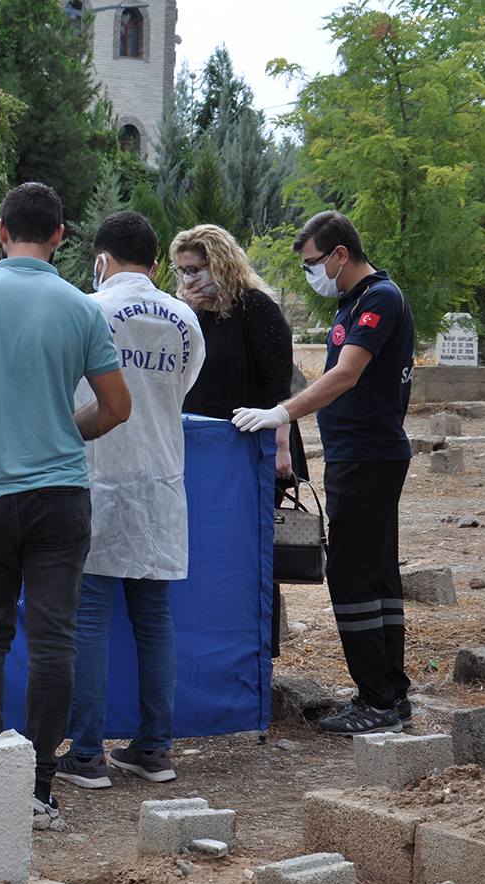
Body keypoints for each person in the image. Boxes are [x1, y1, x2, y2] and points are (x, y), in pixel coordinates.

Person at [0, 182, 132, 822]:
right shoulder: (82, 308)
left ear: (1, 232)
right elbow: (117, 407)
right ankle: (37, 785)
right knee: (54, 640)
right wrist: (72, 431)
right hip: (59, 496)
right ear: (61, 237)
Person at [232, 210, 415, 735]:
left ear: (340, 254)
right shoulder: (353, 301)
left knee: (353, 575)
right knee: (377, 575)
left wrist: (282, 413)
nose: (312, 272)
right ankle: (390, 696)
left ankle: (377, 703)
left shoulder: (379, 298)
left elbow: (346, 375)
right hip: (359, 455)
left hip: (368, 456)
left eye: (314, 262)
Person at [55, 212, 204, 789]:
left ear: (102, 260)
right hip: (162, 478)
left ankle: (88, 752)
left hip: (102, 474)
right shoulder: (185, 318)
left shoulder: (90, 309)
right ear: (155, 261)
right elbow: (181, 388)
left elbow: (72, 388)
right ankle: (154, 749)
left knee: (89, 614)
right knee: (154, 618)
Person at [171, 223, 307, 658]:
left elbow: (278, 384)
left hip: (255, 445)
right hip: (201, 451)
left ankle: (256, 656)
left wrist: (281, 447)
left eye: (196, 269)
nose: (189, 279)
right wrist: (186, 314)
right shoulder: (184, 313)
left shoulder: (256, 308)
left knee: (250, 554)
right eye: (182, 271)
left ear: (220, 264)